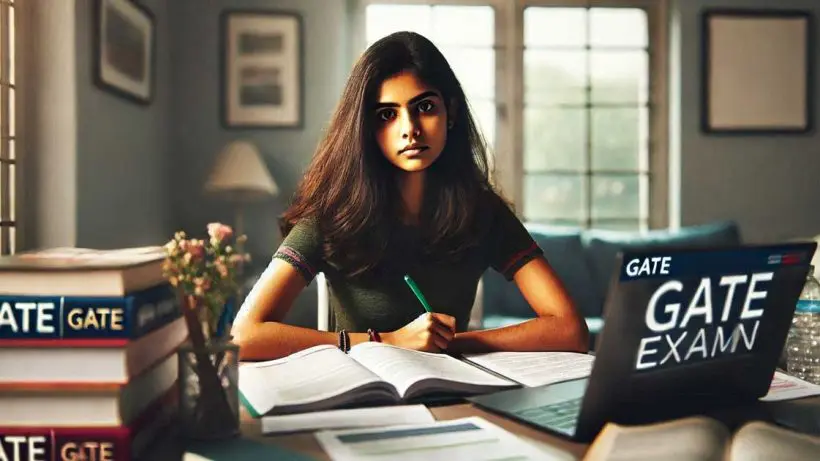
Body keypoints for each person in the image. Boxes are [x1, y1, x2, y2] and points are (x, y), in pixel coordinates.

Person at [231, 31, 589, 361]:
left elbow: (570, 328)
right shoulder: (332, 217)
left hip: (451, 394)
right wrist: (386, 341)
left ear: (451, 112)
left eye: (425, 107)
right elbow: (245, 334)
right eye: (388, 114)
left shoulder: (481, 211)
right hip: (361, 400)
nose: (410, 130)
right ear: (366, 128)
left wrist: (450, 343)